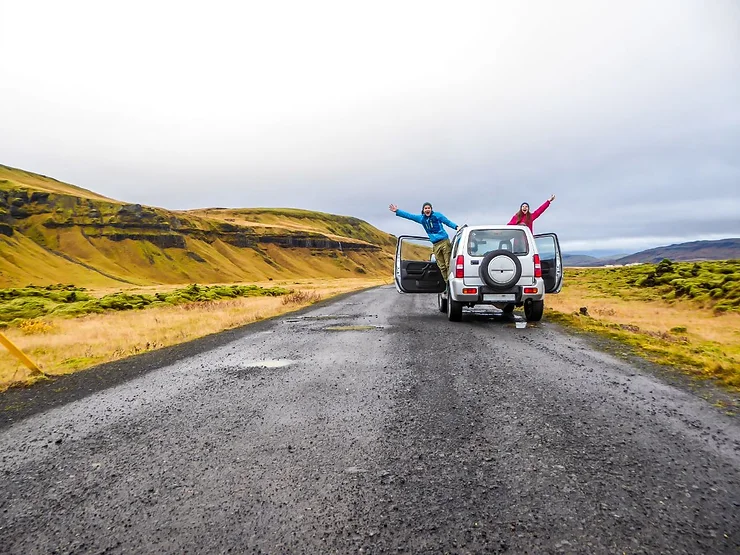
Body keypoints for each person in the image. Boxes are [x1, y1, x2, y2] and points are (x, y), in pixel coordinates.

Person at [389, 202, 459, 280]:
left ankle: (451, 284)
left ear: (431, 209)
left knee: (448, 264)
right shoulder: (421, 219)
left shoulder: (437, 215)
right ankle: (447, 285)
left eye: (429, 208)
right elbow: (410, 216)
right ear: (423, 210)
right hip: (435, 245)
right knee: (442, 267)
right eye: (425, 208)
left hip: (444, 242)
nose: (427, 209)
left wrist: (456, 227)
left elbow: (447, 222)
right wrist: (397, 211)